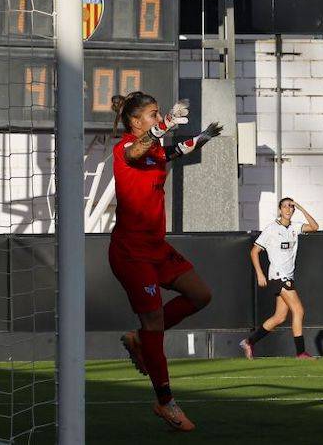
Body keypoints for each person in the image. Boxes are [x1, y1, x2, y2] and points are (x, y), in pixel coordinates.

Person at [109, 91, 222, 431]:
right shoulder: (125, 149)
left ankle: (143, 340)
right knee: (154, 320)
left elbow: (171, 152)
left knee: (201, 295)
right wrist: (166, 126)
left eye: (160, 115)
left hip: (157, 247)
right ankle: (165, 402)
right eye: (154, 115)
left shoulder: (155, 148)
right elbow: (137, 151)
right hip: (131, 252)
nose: (159, 119)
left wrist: (202, 138)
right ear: (135, 122)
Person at [240, 197, 319, 359]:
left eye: (291, 207)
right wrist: (260, 273)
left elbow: (315, 227)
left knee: (279, 317)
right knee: (298, 310)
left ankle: (249, 342)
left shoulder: (295, 227)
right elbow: (254, 251)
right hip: (278, 276)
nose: (288, 209)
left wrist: (301, 206)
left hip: (288, 276)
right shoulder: (271, 229)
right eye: (285, 206)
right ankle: (301, 352)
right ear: (279, 209)